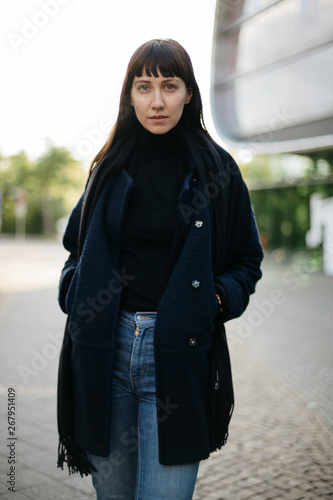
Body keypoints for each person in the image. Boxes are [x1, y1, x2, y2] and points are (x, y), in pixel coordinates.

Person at [57, 38, 263, 500]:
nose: (156, 101)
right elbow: (75, 249)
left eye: (169, 86)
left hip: (179, 354)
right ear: (129, 95)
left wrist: (214, 300)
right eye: (143, 86)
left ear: (189, 93)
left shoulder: (219, 171)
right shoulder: (107, 168)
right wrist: (76, 294)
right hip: (103, 351)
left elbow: (247, 260)